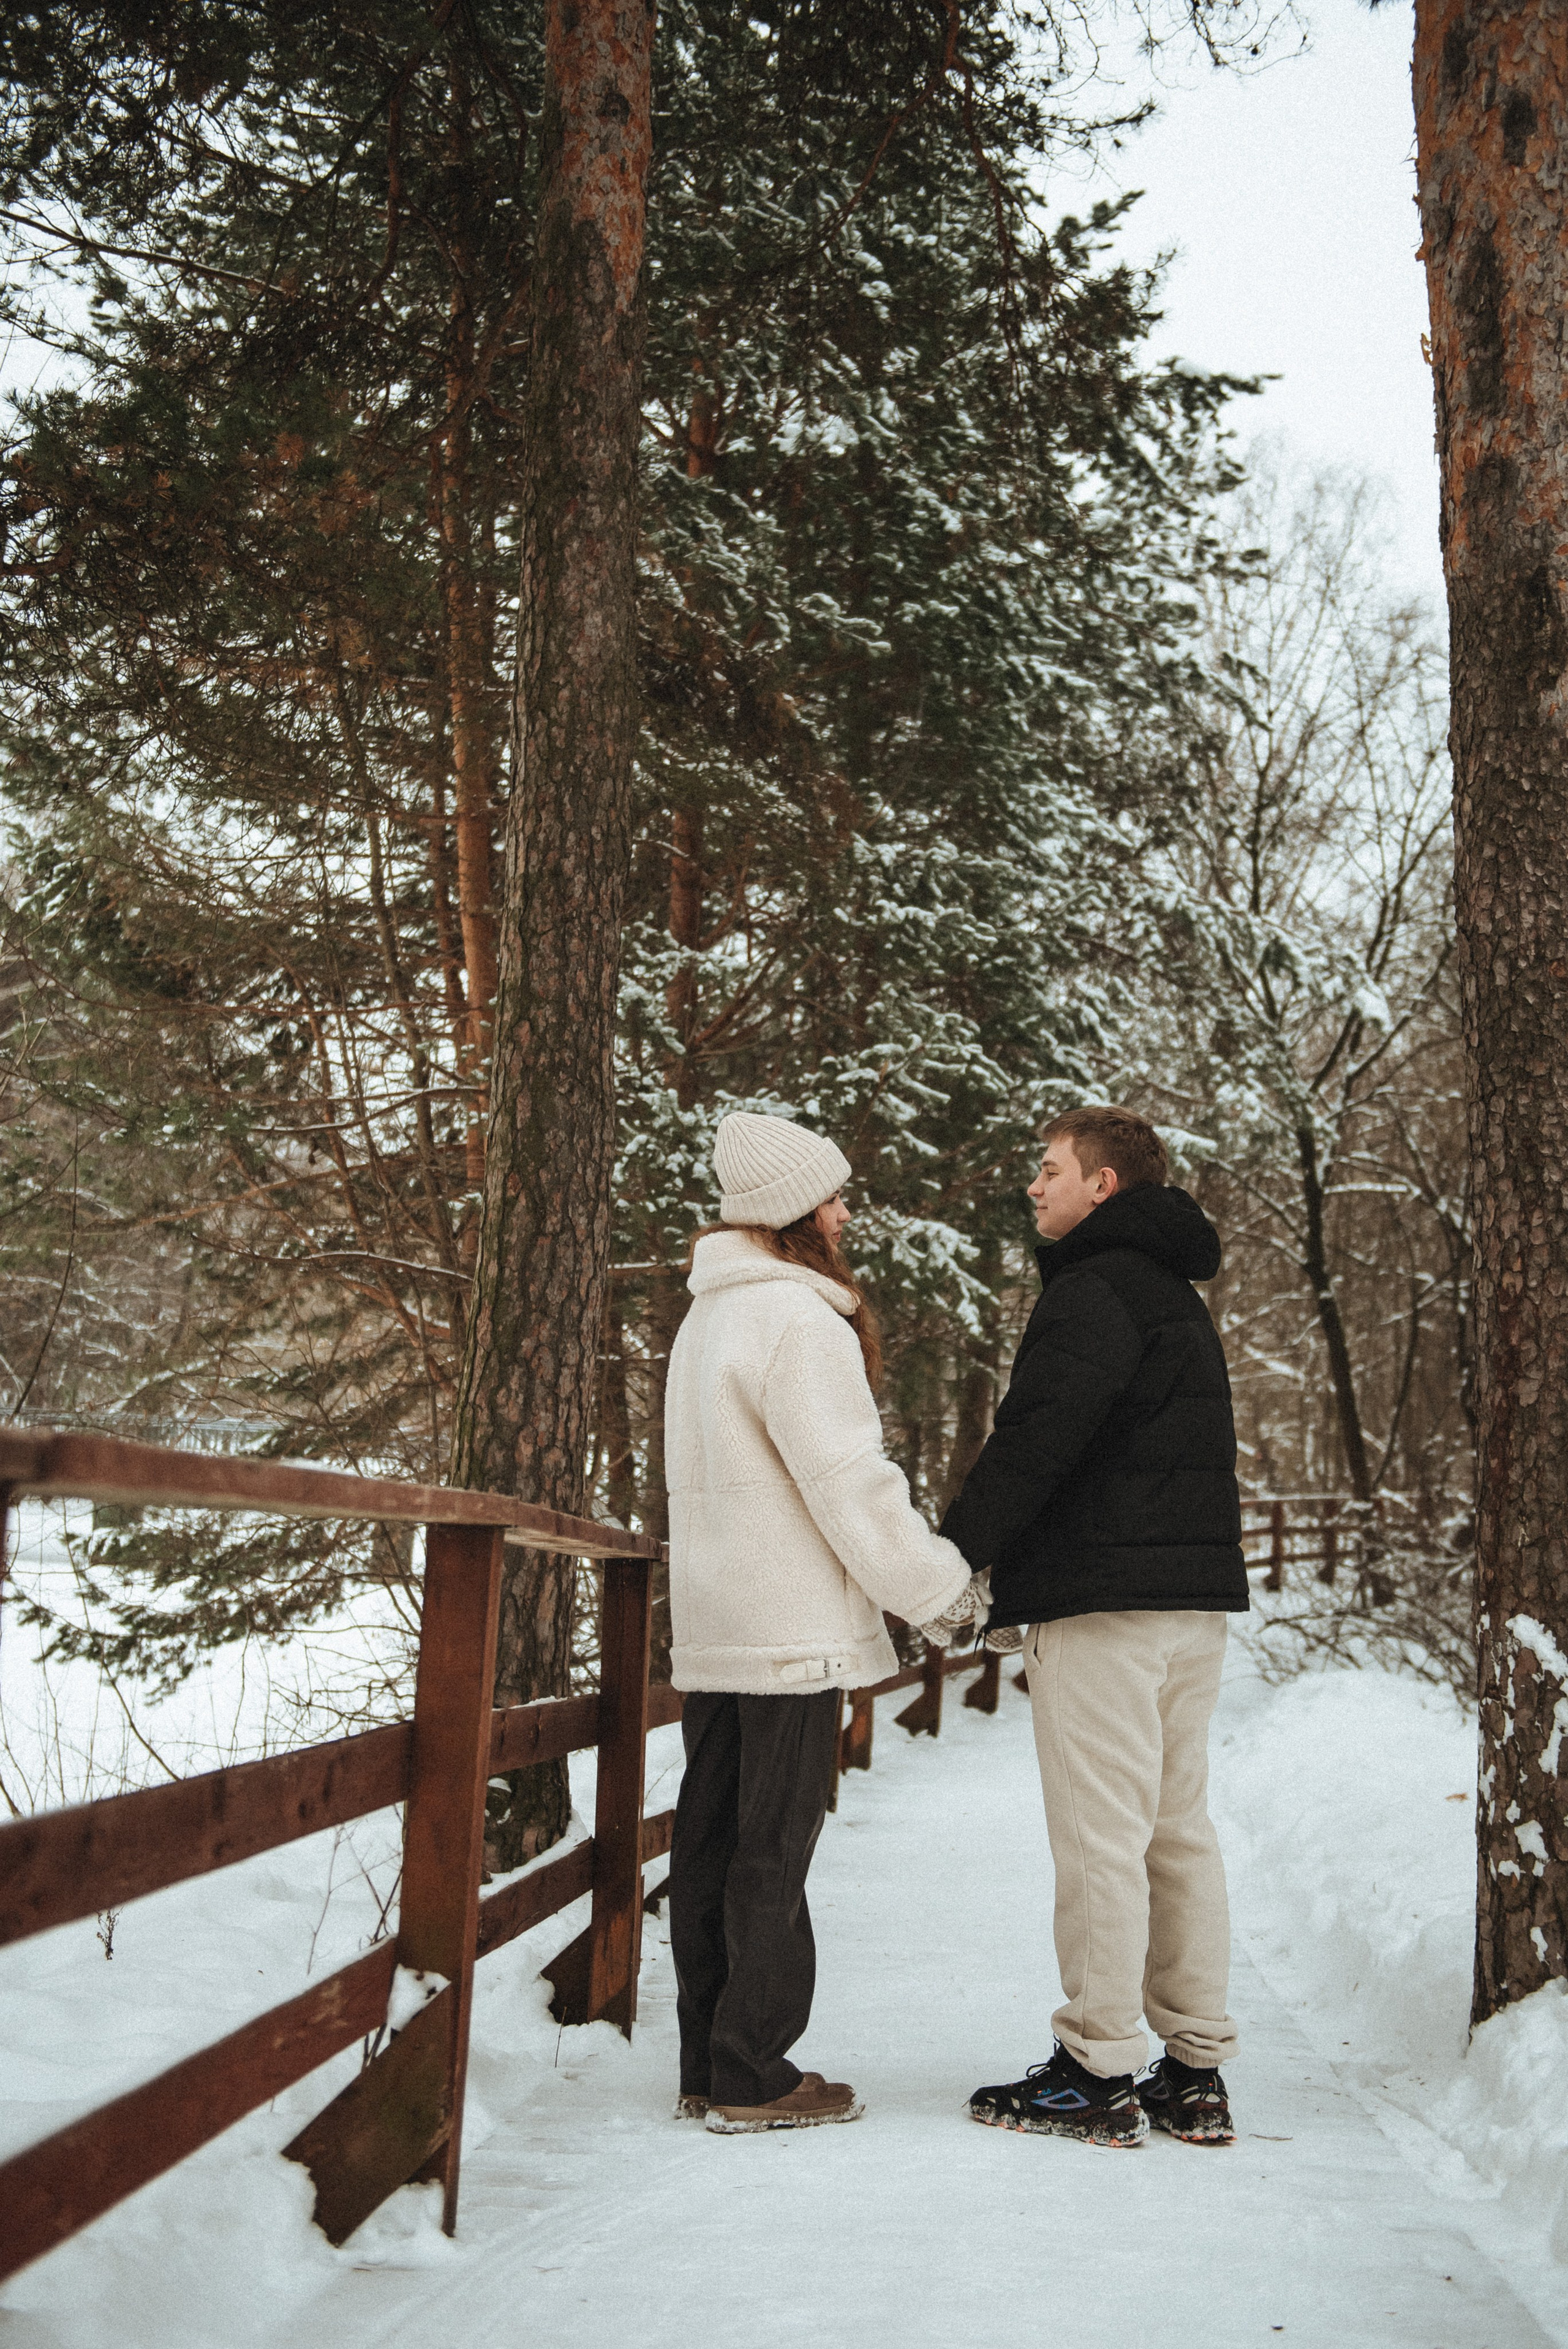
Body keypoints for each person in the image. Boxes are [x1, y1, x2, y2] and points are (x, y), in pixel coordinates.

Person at [665, 1110, 978, 2136]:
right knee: (773, 1846)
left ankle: (708, 2061)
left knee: (710, 1840)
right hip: (790, 1627)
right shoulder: (799, 1321)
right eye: (833, 1197)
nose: (846, 1214)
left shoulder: (707, 1318)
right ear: (792, 1213)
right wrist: (941, 1593)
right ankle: (753, 2073)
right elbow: (853, 1485)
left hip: (717, 1619)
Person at [941, 1106, 1250, 2149]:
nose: (1035, 1187)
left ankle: (1093, 2069)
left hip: (1102, 1603)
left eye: (1050, 1169)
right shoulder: (1172, 1295)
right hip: (1188, 1605)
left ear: (1103, 1186)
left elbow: (1036, 1442)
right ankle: (1194, 2071)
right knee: (1177, 1830)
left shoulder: (1091, 1289)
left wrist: (951, 1556)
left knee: (1102, 1838)